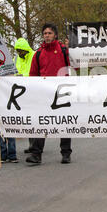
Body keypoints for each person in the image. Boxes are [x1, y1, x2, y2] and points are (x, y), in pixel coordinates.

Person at [26, 23, 72, 165]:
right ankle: (36, 154)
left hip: (62, 92)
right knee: (41, 122)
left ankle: (66, 153)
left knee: (64, 123)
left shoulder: (64, 50)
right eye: (45, 33)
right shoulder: (38, 53)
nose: (47, 35)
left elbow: (74, 66)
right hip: (44, 93)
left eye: (49, 33)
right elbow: (33, 74)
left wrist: (72, 49)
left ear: (55, 35)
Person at [13, 38, 36, 155]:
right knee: (27, 119)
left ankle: (35, 144)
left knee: (34, 118)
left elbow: (36, 71)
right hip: (20, 91)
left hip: (33, 90)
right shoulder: (16, 58)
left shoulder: (35, 55)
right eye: (17, 51)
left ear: (25, 49)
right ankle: (31, 144)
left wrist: (23, 76)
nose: (19, 53)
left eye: (21, 51)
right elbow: (13, 71)